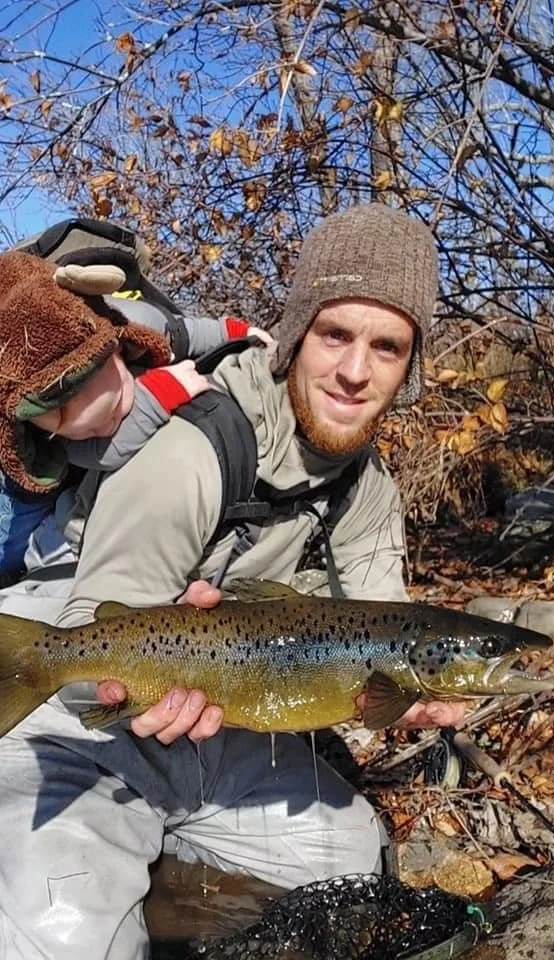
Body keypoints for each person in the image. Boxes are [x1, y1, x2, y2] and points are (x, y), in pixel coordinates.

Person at [0, 203, 465, 960]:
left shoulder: (368, 488)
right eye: (334, 335)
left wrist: (411, 703)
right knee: (61, 935)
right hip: (79, 702)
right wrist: (132, 682)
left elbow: (389, 636)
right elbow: (85, 649)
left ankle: (154, 881)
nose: (354, 371)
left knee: (347, 864)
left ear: (409, 368)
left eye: (386, 346)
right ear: (294, 339)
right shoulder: (196, 446)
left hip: (222, 718)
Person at [0, 250, 269, 582]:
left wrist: (239, 332)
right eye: (71, 427)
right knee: (10, 536)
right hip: (20, 487)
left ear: (115, 347)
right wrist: (156, 398)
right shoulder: (34, 420)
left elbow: (185, 332)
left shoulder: (129, 322)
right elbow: (99, 454)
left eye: (113, 410)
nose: (102, 428)